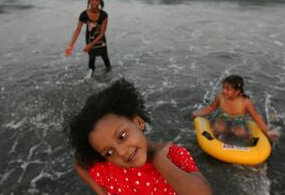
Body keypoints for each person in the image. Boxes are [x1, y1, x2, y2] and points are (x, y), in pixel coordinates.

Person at [66, 79, 212, 195]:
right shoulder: (109, 167)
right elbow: (80, 163)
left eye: (122, 136)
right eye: (108, 152)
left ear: (138, 122)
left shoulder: (173, 156)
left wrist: (160, 161)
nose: (121, 152)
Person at [192, 75, 279, 142]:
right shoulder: (220, 97)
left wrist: (267, 131)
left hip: (238, 121)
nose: (224, 91)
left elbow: (256, 117)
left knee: (240, 133)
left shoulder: (245, 102)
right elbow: (211, 108)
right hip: (223, 118)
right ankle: (217, 144)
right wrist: (198, 113)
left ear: (237, 91)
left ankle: (249, 145)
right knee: (218, 129)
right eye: (223, 88)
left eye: (228, 89)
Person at [65, 0, 111, 77]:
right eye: (92, 0)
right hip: (89, 38)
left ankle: (109, 72)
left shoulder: (104, 15)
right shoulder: (84, 14)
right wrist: (70, 46)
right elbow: (77, 30)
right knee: (92, 58)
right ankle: (91, 74)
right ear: (89, 2)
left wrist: (90, 45)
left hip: (100, 39)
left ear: (100, 2)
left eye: (97, 0)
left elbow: (102, 33)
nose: (94, 2)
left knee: (105, 57)